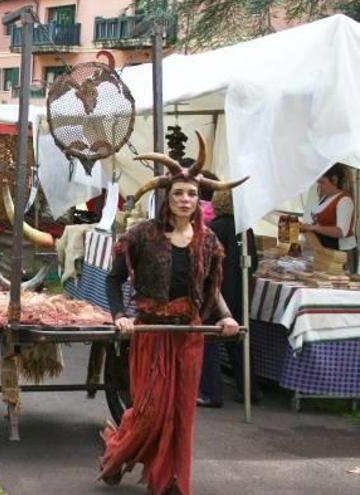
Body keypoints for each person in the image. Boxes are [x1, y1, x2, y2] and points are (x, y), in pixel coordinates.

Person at [99, 141, 243, 495]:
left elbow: (212, 288)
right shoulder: (143, 235)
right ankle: (117, 454)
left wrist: (227, 318)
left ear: (199, 199)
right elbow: (114, 279)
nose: (185, 199)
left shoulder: (208, 241)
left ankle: (170, 479)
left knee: (180, 413)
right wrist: (121, 315)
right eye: (178, 193)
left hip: (189, 334)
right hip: (152, 331)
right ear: (167, 197)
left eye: (192, 194)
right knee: (150, 409)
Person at [198, 189, 261, 408]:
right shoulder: (246, 230)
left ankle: (211, 392)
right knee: (239, 341)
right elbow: (254, 262)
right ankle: (250, 390)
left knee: (208, 340)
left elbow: (205, 265)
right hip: (240, 289)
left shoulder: (213, 229)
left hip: (218, 292)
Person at [300, 163, 357, 271]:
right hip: (325, 249)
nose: (319, 186)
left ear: (334, 180)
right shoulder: (325, 197)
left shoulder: (344, 200)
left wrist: (314, 228)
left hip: (340, 253)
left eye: (322, 182)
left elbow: (341, 232)